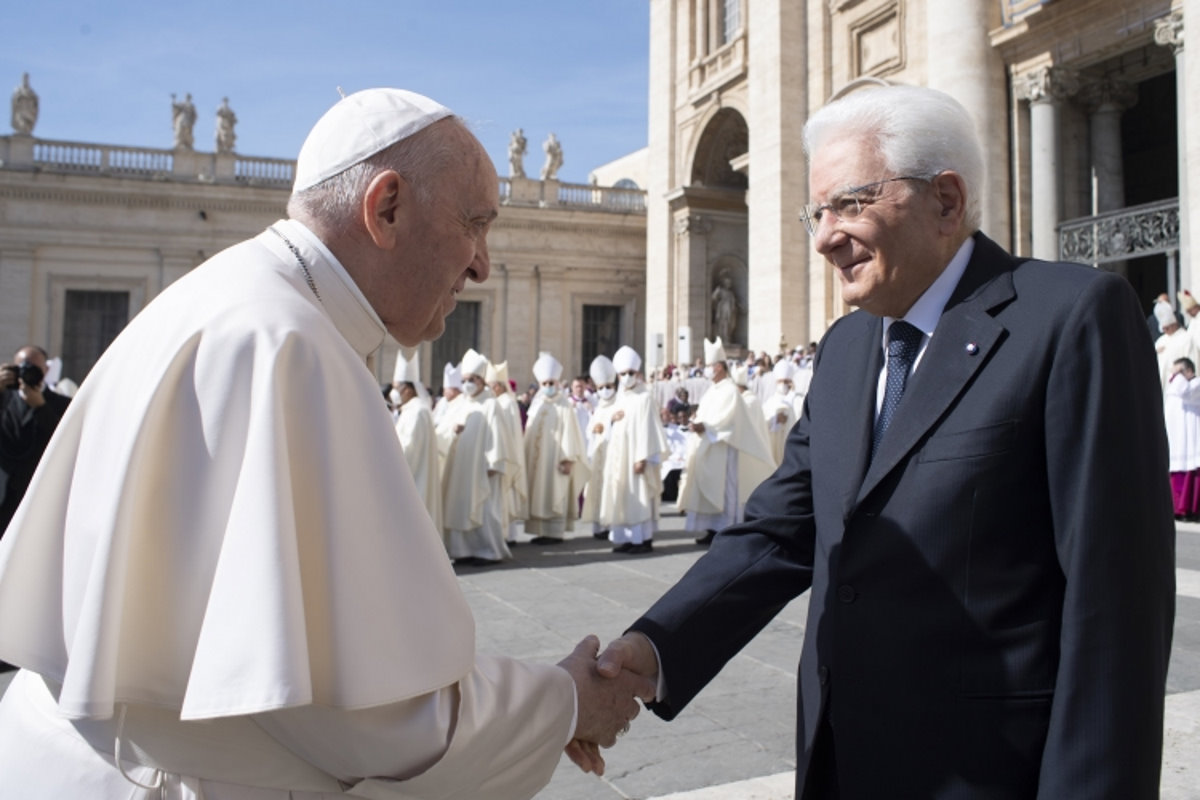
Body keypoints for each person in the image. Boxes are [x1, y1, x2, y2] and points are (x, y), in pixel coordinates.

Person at [0, 88, 652, 797]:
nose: (482, 265)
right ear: (387, 207)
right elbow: (377, 719)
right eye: (475, 224)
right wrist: (565, 702)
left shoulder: (235, 300)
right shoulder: (290, 345)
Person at [593, 84, 1175, 798]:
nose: (823, 236)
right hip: (841, 765)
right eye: (817, 211)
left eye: (850, 203)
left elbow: (1114, 607)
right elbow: (780, 534)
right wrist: (650, 650)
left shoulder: (1070, 320)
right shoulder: (845, 350)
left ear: (947, 200)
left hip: (993, 774)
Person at [678, 337, 774, 546]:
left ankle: (726, 529)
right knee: (710, 488)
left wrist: (707, 427)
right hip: (709, 446)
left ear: (720, 367)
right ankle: (712, 528)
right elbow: (706, 413)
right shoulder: (712, 390)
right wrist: (697, 422)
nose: (707, 369)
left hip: (725, 446)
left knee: (725, 490)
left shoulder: (730, 390)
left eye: (710, 365)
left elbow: (729, 419)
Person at [440, 348, 517, 566]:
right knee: (461, 506)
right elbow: (445, 430)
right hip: (461, 467)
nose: (468, 384)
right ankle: (463, 550)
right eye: (465, 380)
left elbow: (498, 435)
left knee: (484, 508)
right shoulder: (463, 403)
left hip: (483, 468)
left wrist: (495, 462)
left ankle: (488, 551)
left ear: (482, 381)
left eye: (473, 379)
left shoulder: (491, 404)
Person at [602, 346, 669, 554]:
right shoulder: (621, 397)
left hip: (637, 456)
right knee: (624, 496)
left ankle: (643, 540)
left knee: (639, 496)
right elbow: (610, 423)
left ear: (637, 373)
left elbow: (648, 427)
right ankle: (628, 539)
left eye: (631, 373)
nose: (628, 377)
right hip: (620, 456)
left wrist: (643, 457)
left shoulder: (645, 397)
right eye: (623, 374)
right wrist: (611, 420)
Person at [0, 345, 70, 536]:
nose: (26, 373)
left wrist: (40, 407)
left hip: (37, 498)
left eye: (33, 368)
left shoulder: (63, 405)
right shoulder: (3, 398)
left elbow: (65, 443)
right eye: (22, 367)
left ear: (46, 370)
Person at [524, 351, 589, 544]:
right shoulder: (538, 404)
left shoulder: (564, 405)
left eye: (551, 383)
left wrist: (568, 458)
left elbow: (570, 431)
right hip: (538, 462)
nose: (548, 387)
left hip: (556, 461)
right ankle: (540, 531)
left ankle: (554, 532)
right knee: (539, 493)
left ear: (558, 383)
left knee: (554, 492)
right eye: (544, 384)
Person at [392, 349, 442, 534]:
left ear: (408, 388)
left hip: (415, 478)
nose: (394, 393)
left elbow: (410, 449)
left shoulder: (418, 411)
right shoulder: (410, 409)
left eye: (397, 387)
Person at [487, 360, 528, 547]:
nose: (489, 388)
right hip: (499, 451)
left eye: (491, 385)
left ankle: (509, 534)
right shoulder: (496, 402)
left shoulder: (508, 403)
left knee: (506, 496)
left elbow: (510, 433)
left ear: (499, 386)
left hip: (506, 454)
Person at [580, 355, 619, 542]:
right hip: (598, 456)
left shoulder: (619, 404)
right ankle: (598, 526)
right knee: (597, 491)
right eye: (601, 388)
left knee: (610, 491)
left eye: (608, 387)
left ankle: (610, 525)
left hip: (613, 455)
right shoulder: (598, 407)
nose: (605, 391)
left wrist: (609, 424)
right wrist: (594, 431)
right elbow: (590, 430)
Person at [1165, 356, 1200, 521]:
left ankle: (1190, 510)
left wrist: (1177, 375)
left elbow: (1185, 392)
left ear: (1189, 371)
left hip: (1191, 440)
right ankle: (1176, 509)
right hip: (1177, 439)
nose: (1174, 375)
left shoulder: (1196, 385)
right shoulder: (1175, 386)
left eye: (1179, 371)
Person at [1154, 299, 1198, 388]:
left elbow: (1193, 365)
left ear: (1174, 324)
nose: (1165, 330)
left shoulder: (1186, 339)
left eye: (1167, 327)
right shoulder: (1160, 341)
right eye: (1163, 328)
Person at [711, 274, 738, 344]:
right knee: (723, 323)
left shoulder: (731, 293)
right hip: (723, 309)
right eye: (727, 282)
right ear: (724, 283)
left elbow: (734, 302)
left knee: (730, 324)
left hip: (731, 311)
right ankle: (724, 338)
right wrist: (716, 292)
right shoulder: (720, 290)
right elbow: (713, 298)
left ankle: (728, 337)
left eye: (730, 283)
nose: (729, 284)